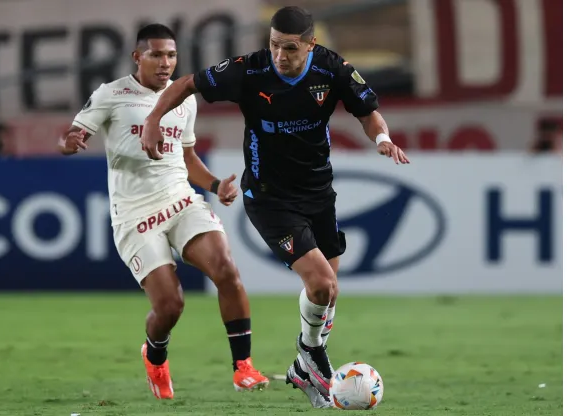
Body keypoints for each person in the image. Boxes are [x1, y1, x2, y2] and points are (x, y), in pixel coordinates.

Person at [140, 7, 409, 408]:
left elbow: (367, 112)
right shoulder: (249, 71)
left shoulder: (332, 69)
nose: (280, 55)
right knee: (322, 284)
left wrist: (382, 138)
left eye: (290, 48)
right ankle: (312, 356)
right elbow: (187, 83)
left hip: (319, 193)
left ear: (310, 45)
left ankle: (304, 362)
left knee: (327, 295)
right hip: (269, 198)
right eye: (274, 45)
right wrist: (154, 119)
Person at [57, 23, 269, 400]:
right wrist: (70, 141)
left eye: (171, 55)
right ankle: (154, 355)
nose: (165, 62)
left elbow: (185, 156)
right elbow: (74, 133)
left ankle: (243, 367)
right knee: (171, 305)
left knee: (226, 269)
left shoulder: (183, 99)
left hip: (181, 200)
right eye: (156, 54)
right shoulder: (112, 94)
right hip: (135, 215)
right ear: (137, 57)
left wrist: (215, 184)